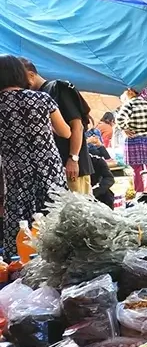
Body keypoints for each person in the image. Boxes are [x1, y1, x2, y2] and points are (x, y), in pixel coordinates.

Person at [0, 55, 69, 254]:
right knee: (54, 217)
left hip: (16, 171)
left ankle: (19, 263)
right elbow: (65, 132)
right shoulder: (42, 98)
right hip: (48, 168)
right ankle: (60, 258)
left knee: (21, 220)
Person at [20, 58, 94, 194]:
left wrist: (73, 158)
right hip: (55, 168)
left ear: (31, 75)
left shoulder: (58, 88)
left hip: (71, 166)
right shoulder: (35, 97)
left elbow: (77, 126)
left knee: (78, 211)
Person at [116, 87, 147, 194]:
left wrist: (125, 128)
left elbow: (119, 119)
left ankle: (139, 193)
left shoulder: (129, 105)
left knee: (136, 169)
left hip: (133, 139)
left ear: (130, 92)